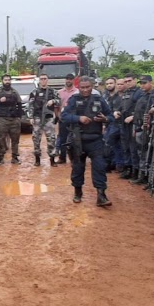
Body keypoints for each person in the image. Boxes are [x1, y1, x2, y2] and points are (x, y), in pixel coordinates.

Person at [61, 76, 114, 206]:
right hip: (78, 140)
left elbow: (111, 116)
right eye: (82, 87)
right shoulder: (74, 99)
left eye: (88, 87)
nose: (85, 90)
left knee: (100, 167)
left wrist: (105, 119)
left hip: (95, 140)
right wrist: (79, 118)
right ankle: (77, 192)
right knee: (78, 168)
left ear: (92, 87)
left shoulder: (99, 99)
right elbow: (64, 116)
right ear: (78, 87)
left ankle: (101, 195)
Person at [28, 73, 59, 167]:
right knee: (36, 139)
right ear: (39, 80)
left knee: (51, 139)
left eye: (45, 78)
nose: (43, 80)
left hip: (48, 118)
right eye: (41, 79)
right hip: (37, 118)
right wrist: (30, 117)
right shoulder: (34, 92)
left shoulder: (53, 91)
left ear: (47, 80)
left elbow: (59, 100)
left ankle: (52, 159)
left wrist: (53, 101)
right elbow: (30, 105)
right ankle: (37, 159)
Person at [0, 74, 23, 165]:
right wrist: (0, 101)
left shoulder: (14, 92)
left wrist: (19, 117)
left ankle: (15, 157)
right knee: (1, 139)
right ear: (2, 81)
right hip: (2, 119)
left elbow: (20, 104)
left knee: (15, 139)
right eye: (5, 80)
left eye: (9, 80)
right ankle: (1, 158)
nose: (7, 82)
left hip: (14, 119)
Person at [56, 73, 79, 163]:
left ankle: (74, 158)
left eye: (70, 79)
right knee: (63, 138)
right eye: (67, 79)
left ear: (73, 80)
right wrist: (58, 116)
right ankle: (62, 157)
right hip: (63, 118)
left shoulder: (77, 92)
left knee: (75, 137)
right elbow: (57, 106)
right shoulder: (59, 92)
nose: (68, 81)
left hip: (74, 118)